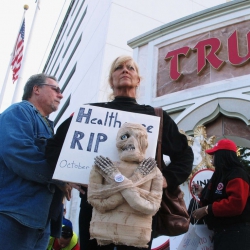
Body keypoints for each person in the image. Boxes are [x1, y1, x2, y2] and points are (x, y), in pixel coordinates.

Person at [46, 55, 194, 249]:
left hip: (138, 211)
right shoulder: (89, 114)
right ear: (111, 80)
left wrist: (165, 179)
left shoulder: (155, 116)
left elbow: (184, 155)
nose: (125, 70)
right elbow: (53, 147)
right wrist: (68, 176)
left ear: (138, 80)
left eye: (131, 68)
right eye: (119, 68)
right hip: (96, 206)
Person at [0, 73, 70, 249]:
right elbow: (18, 153)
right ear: (36, 89)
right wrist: (59, 177)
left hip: (40, 223)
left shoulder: (48, 126)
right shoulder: (18, 112)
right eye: (55, 89)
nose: (60, 95)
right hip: (13, 216)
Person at [192, 139, 250, 250]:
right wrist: (201, 192)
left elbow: (236, 204)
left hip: (236, 235)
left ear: (222, 156)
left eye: (214, 155)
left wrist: (207, 209)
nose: (212, 158)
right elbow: (218, 196)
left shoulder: (237, 174)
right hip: (222, 233)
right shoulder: (219, 174)